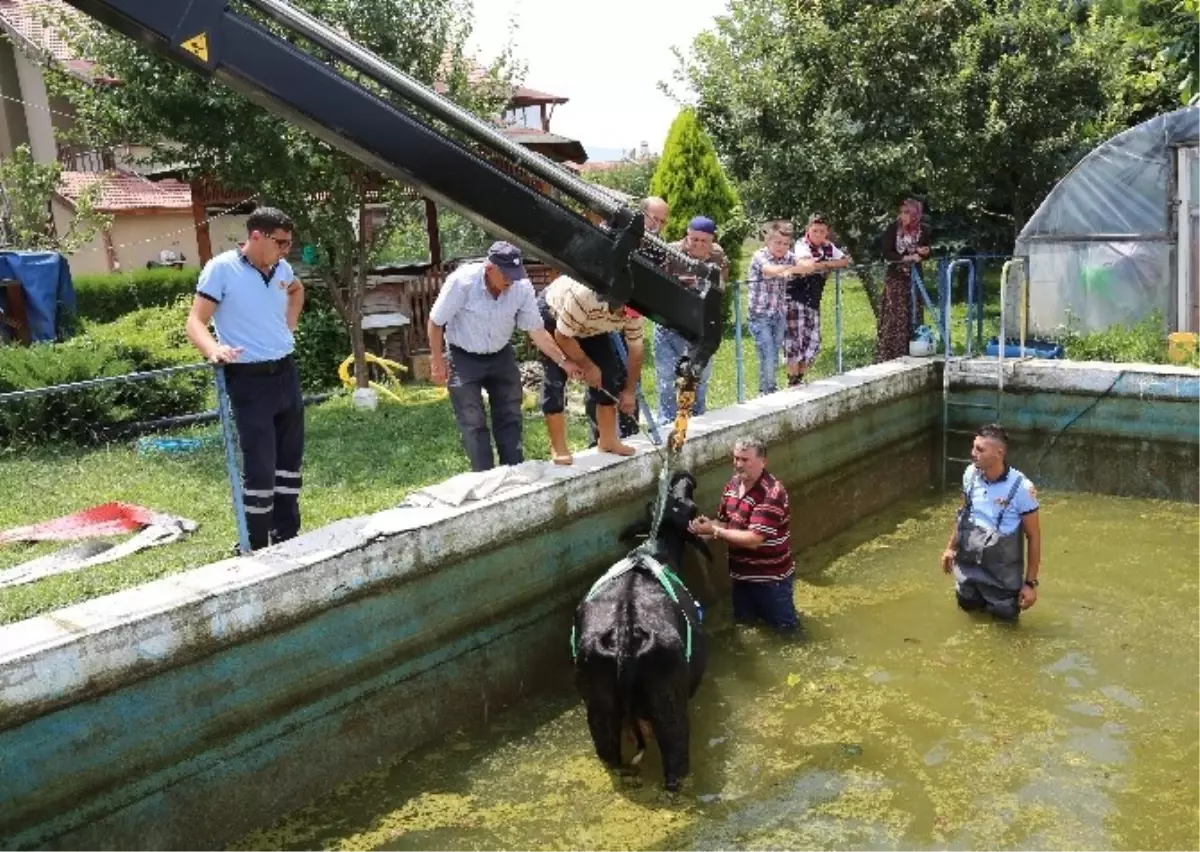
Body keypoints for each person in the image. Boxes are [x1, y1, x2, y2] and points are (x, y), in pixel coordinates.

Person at [186, 207, 306, 552]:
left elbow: (296, 291)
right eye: (280, 242)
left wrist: (289, 327)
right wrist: (213, 349)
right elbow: (195, 321)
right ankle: (254, 542)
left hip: (286, 372)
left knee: (289, 462)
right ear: (257, 236)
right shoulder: (221, 269)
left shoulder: (282, 269)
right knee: (261, 466)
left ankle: (287, 534)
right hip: (249, 380)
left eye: (288, 244)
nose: (285, 250)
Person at [428, 241, 582, 472]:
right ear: (490, 269)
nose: (511, 280)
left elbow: (537, 330)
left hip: (500, 354)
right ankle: (485, 476)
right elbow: (435, 322)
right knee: (473, 421)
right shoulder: (462, 282)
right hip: (463, 355)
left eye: (515, 274)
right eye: (506, 274)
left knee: (510, 413)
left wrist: (563, 361)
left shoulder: (521, 286)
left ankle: (514, 472)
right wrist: (437, 361)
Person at [689, 437, 800, 633]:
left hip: (771, 581)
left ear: (763, 461)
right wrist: (700, 529)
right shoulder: (732, 486)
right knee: (746, 627)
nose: (739, 464)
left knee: (787, 634)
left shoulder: (772, 494)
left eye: (745, 460)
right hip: (741, 578)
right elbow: (725, 522)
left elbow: (754, 540)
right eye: (736, 458)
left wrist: (715, 531)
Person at [583, 196, 669, 447]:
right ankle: (599, 437)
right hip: (596, 317)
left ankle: (630, 433)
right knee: (601, 376)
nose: (658, 226)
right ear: (640, 215)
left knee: (630, 376)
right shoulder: (609, 232)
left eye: (663, 222)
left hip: (629, 317)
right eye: (654, 219)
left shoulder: (657, 246)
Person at [538, 274, 644, 465]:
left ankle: (608, 440)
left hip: (593, 326)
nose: (627, 318)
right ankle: (559, 446)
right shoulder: (584, 296)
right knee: (556, 376)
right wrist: (587, 366)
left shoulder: (634, 311)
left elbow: (636, 352)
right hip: (556, 317)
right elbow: (562, 337)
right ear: (613, 304)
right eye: (624, 314)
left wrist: (629, 391)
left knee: (610, 374)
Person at [941, 424, 1042, 622]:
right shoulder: (970, 474)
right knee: (968, 616)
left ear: (999, 453)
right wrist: (950, 548)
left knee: (1004, 626)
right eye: (973, 447)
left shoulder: (1021, 488)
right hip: (968, 567)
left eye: (980, 449)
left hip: (1002, 576)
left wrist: (1030, 584)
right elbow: (963, 513)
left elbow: (1034, 537)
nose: (973, 453)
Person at [656, 216, 729, 425]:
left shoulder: (719, 257)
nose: (697, 245)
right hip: (669, 323)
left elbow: (720, 289)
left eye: (703, 241)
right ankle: (667, 421)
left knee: (699, 376)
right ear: (686, 236)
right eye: (693, 239)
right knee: (667, 377)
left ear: (712, 241)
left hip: (700, 327)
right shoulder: (670, 251)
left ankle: (697, 416)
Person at [785, 213, 851, 386]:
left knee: (813, 341)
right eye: (815, 231)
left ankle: (799, 378)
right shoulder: (801, 244)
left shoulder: (828, 246)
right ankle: (793, 381)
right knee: (794, 341)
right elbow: (807, 266)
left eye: (822, 231)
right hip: (794, 297)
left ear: (827, 232)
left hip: (813, 299)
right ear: (808, 230)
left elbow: (845, 261)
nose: (818, 235)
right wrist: (826, 264)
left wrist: (824, 264)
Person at [875, 197, 931, 363]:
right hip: (896, 277)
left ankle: (914, 348)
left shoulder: (924, 230)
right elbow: (886, 252)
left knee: (913, 310)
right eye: (901, 212)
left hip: (914, 277)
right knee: (895, 314)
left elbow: (927, 250)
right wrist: (906, 258)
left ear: (915, 214)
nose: (903, 216)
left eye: (907, 212)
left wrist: (925, 252)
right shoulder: (893, 229)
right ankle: (891, 354)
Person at [746, 220, 796, 396]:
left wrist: (794, 268)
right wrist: (792, 269)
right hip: (760, 315)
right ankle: (768, 391)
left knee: (773, 353)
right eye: (777, 243)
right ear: (768, 241)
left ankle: (768, 387)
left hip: (779, 313)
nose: (781, 247)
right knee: (767, 353)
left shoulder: (789, 257)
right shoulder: (759, 256)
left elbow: (808, 265)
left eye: (785, 244)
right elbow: (769, 270)